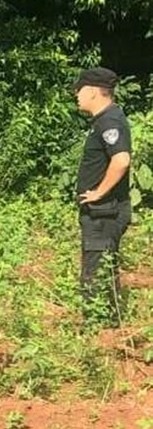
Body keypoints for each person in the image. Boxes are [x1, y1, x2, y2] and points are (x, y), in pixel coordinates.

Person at [73, 66, 132, 323]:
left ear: (93, 92)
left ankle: (96, 327)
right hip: (103, 212)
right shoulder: (105, 119)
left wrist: (98, 193)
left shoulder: (109, 121)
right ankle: (109, 322)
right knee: (104, 266)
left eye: (79, 89)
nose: (76, 94)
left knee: (96, 270)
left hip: (104, 212)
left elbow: (121, 160)